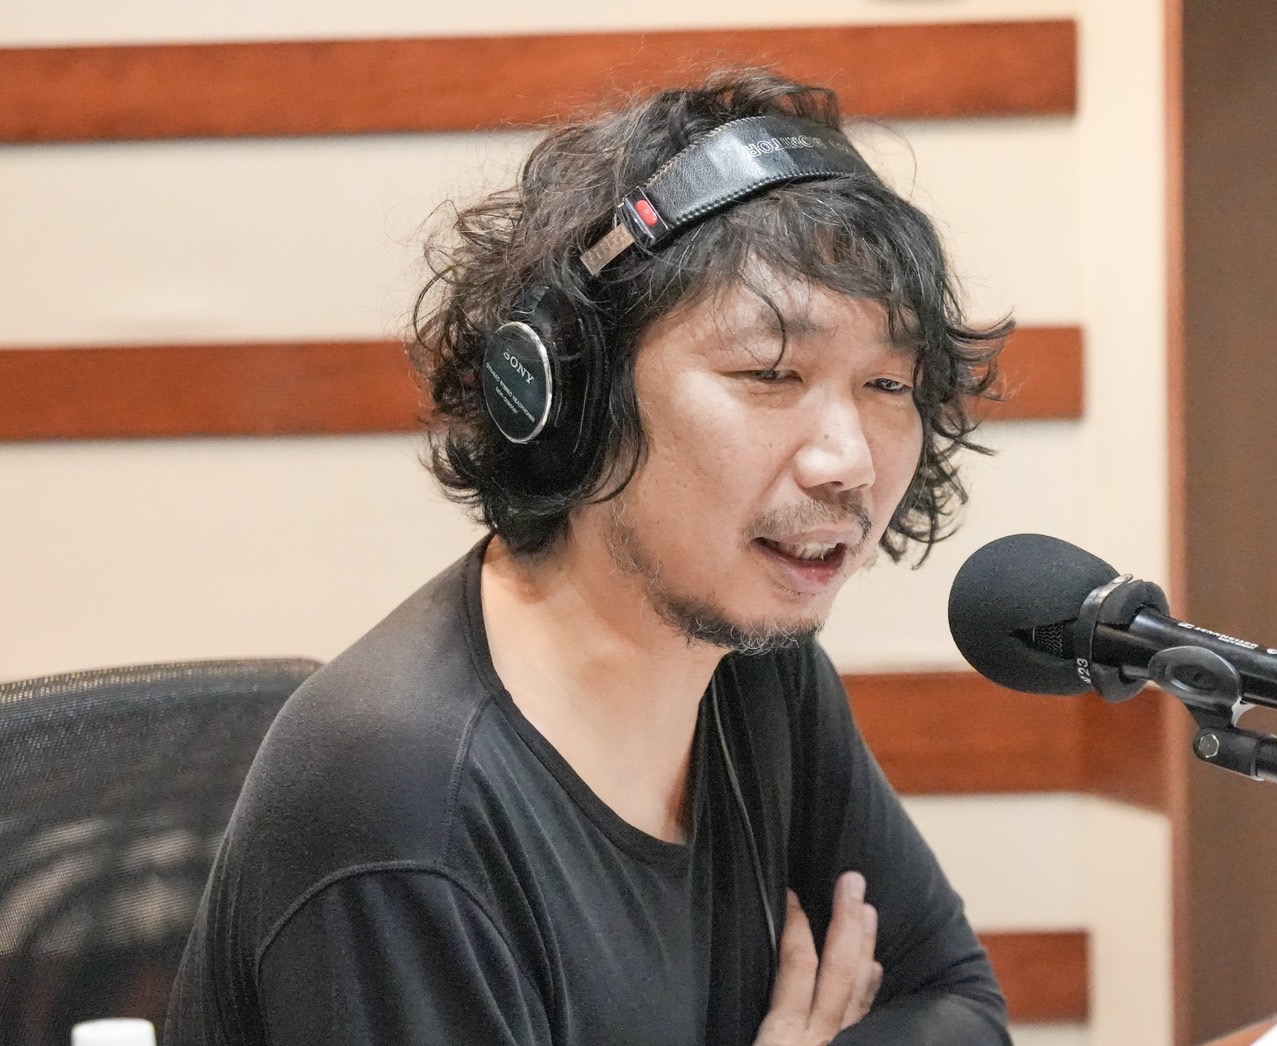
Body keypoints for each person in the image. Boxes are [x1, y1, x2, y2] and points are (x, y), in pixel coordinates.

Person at [165, 70, 1013, 1045]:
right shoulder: (406, 803)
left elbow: (959, 1008)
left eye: (888, 383)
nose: (849, 459)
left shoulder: (757, 675)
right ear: (575, 393)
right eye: (770, 372)